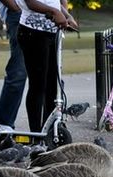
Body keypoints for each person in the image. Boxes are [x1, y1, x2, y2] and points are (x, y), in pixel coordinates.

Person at [16, 0, 77, 133]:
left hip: (51, 34)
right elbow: (30, 3)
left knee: (51, 87)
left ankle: (49, 130)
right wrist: (55, 12)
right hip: (33, 33)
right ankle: (36, 134)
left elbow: (53, 2)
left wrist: (67, 15)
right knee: (38, 86)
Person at [0, 0, 28, 133]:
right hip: (21, 13)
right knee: (19, 70)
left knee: (49, 72)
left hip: (48, 15)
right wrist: (17, 8)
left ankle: (49, 123)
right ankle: (2, 123)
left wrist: (62, 9)